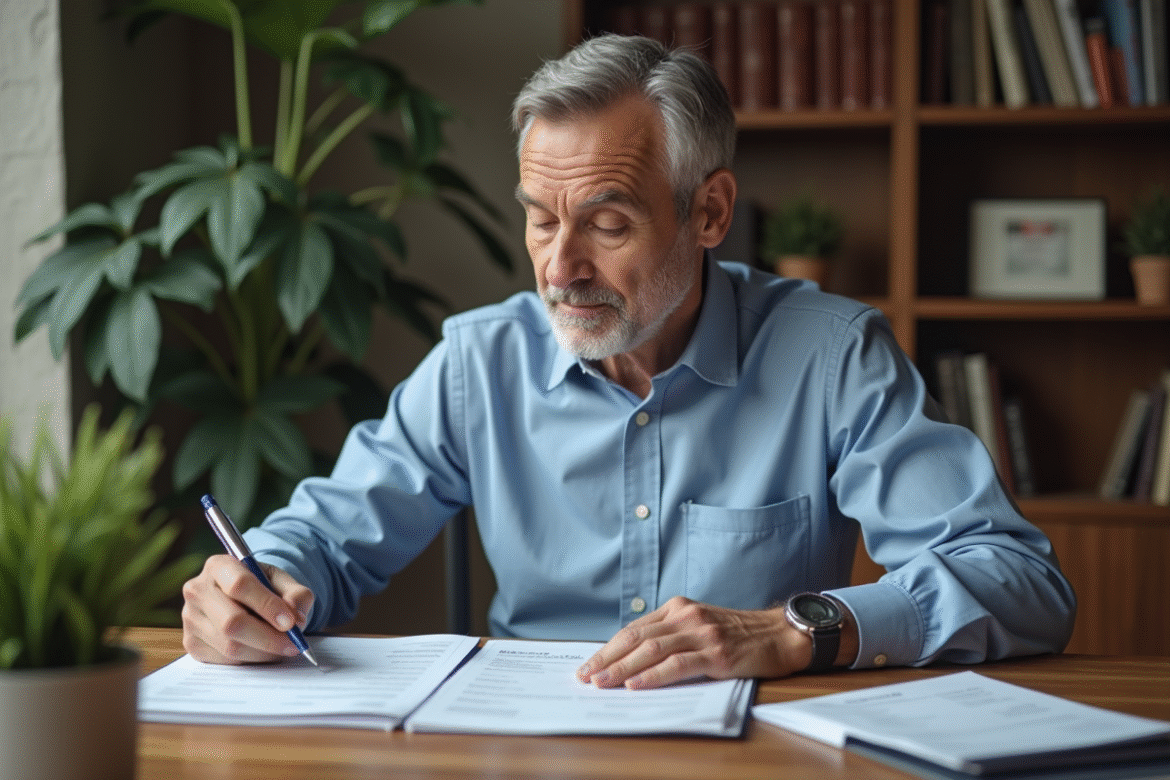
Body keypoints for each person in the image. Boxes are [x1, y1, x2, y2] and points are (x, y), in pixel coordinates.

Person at [181, 34, 1075, 689]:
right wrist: (254, 582)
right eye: (540, 218)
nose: (561, 267)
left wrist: (796, 628)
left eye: (607, 224)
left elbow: (1019, 579)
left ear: (710, 212)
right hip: (526, 749)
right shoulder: (478, 364)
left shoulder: (832, 357)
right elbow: (325, 539)